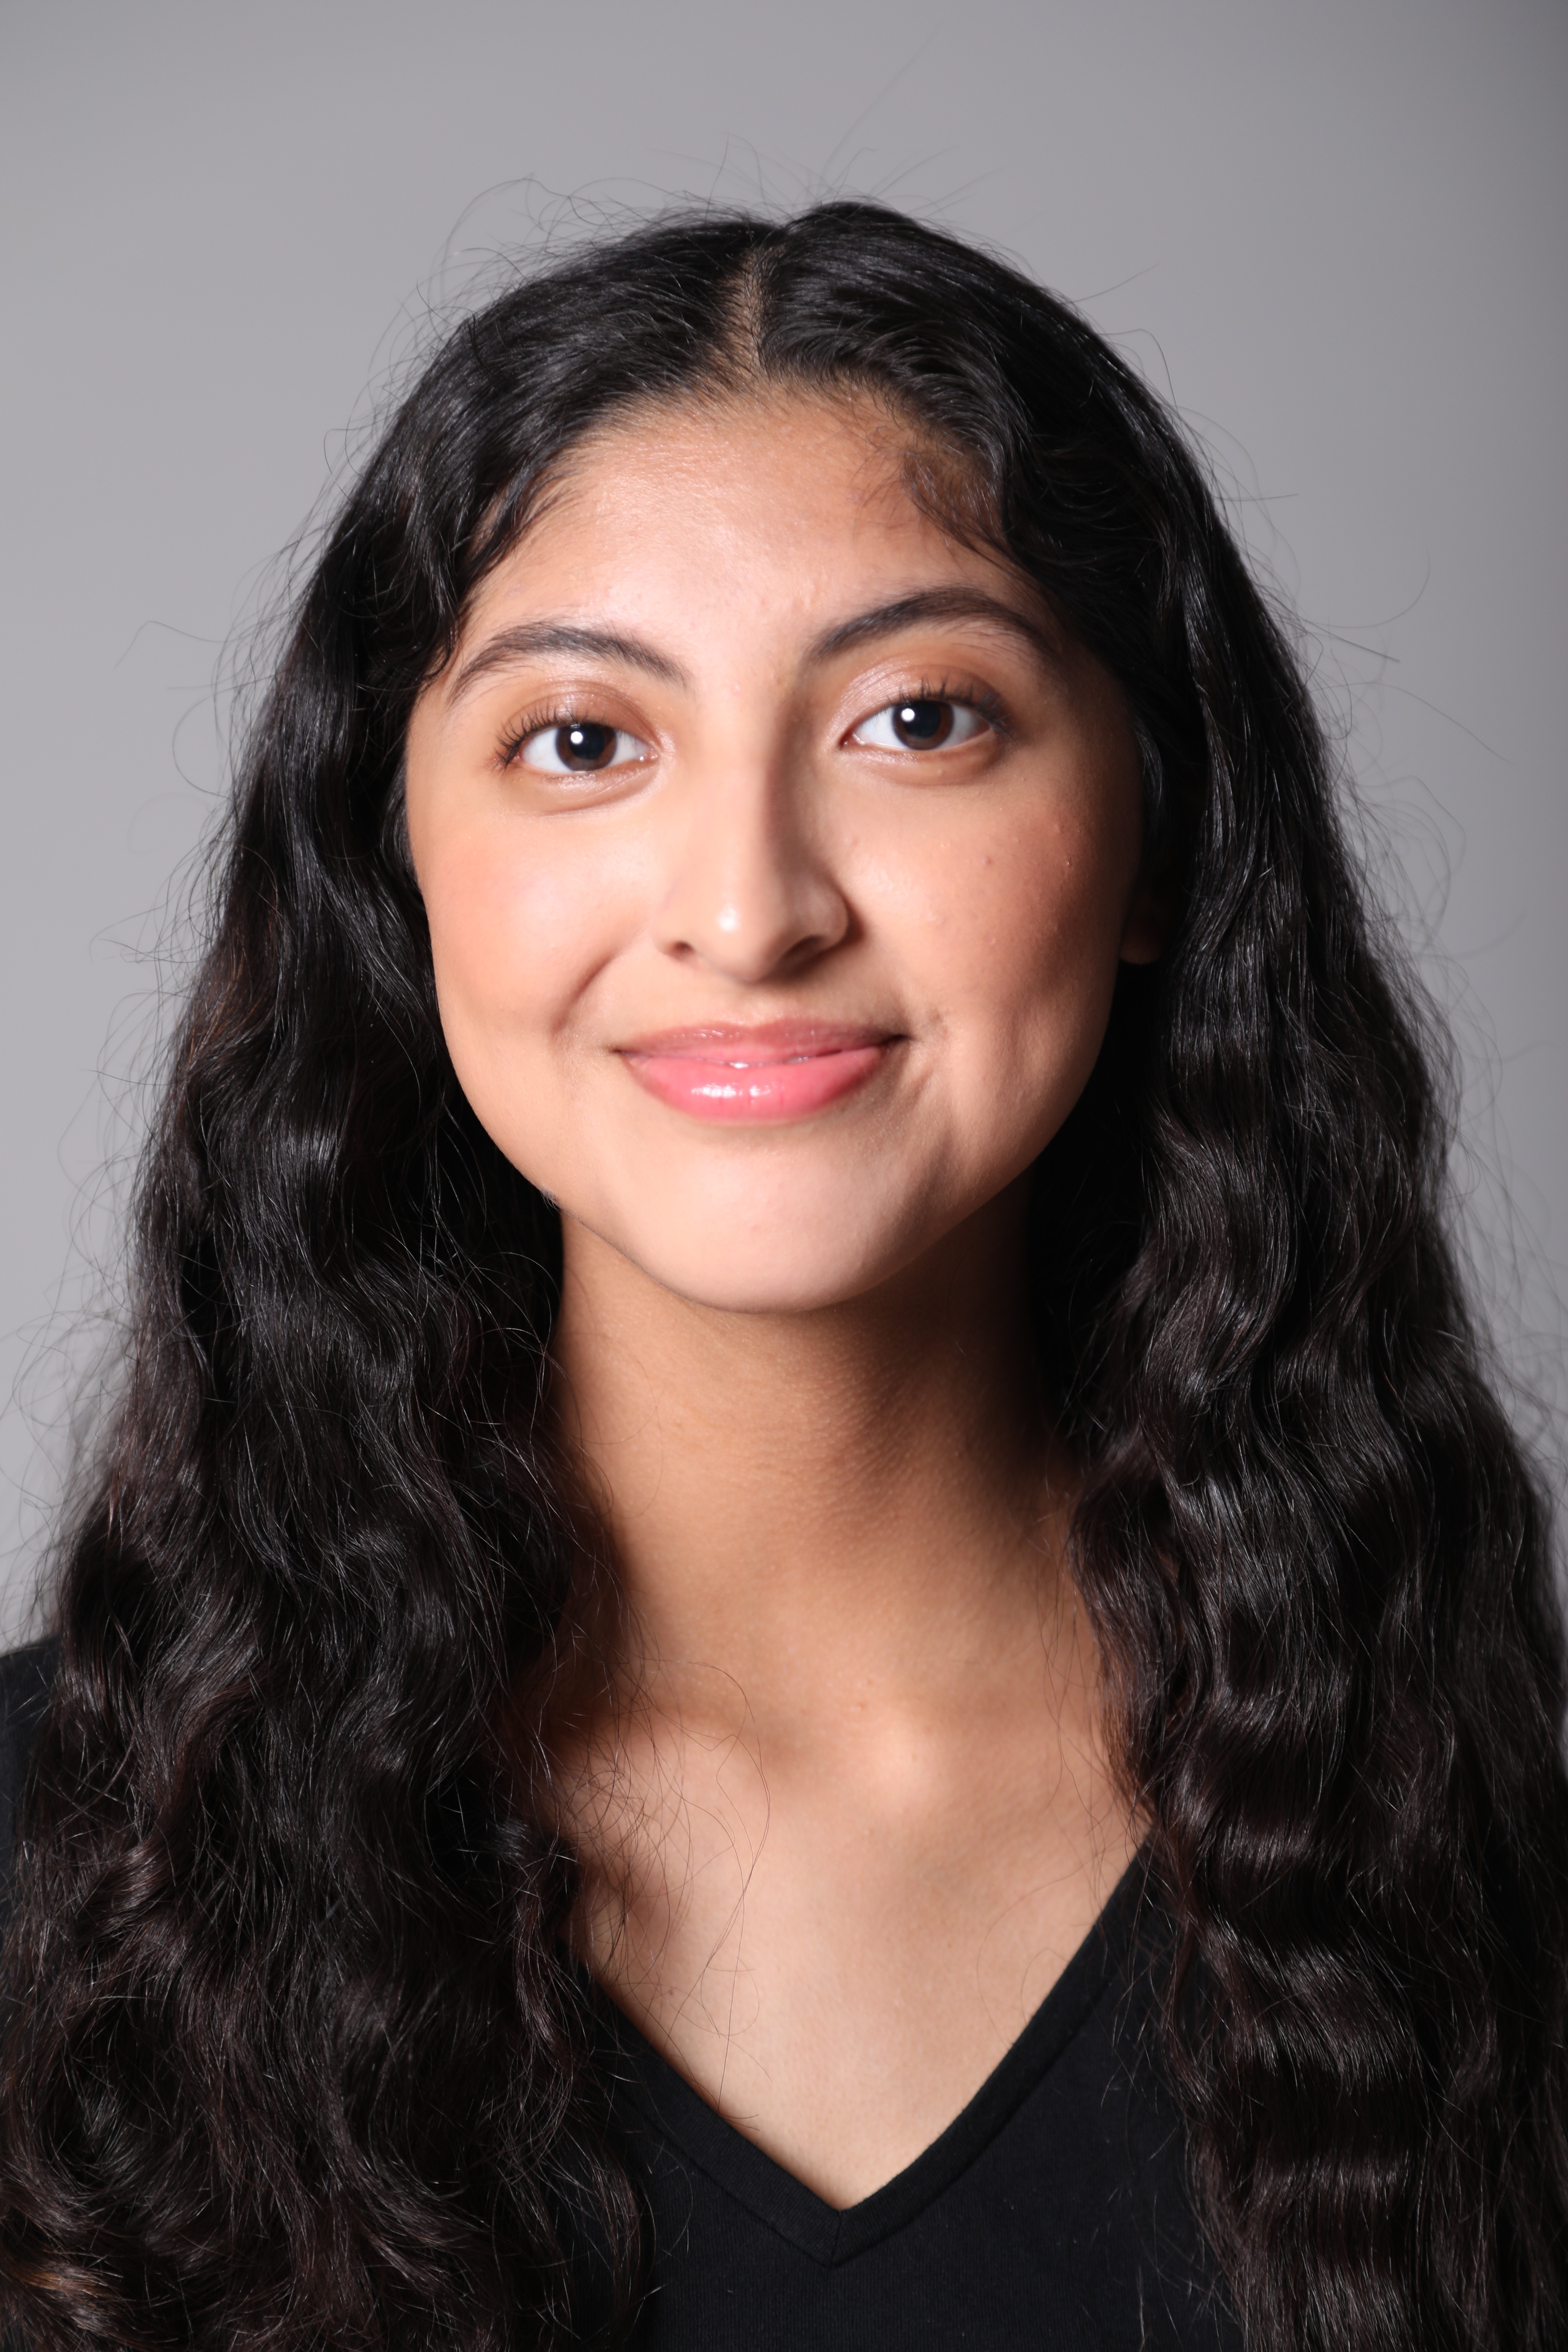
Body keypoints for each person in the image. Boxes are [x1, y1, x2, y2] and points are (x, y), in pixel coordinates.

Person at [0, 200, 1563, 2352]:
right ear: (396, 866)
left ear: (1158, 833)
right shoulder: (47, 1874)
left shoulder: (1497, 1884)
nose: (750, 911)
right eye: (583, 742)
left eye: (919, 720)